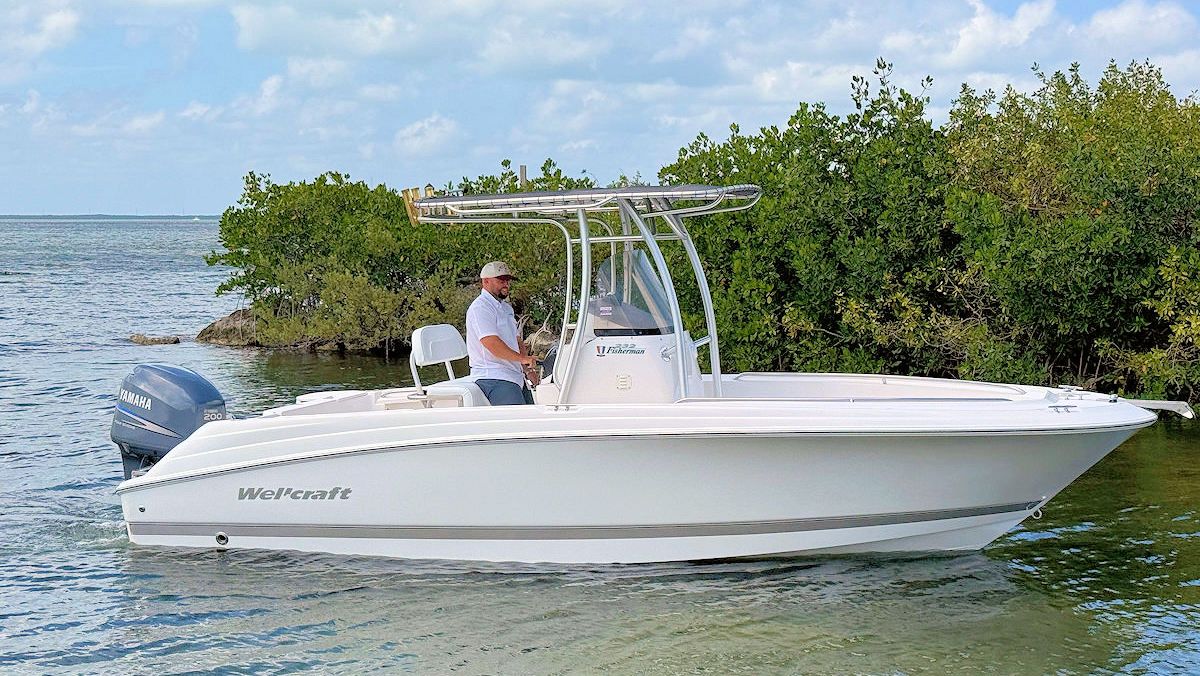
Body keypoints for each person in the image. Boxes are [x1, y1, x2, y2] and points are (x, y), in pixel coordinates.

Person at [466, 261, 538, 405]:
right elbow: (491, 343)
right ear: (486, 281)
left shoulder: (506, 308)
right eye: (501, 280)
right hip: (493, 376)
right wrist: (522, 359)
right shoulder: (480, 308)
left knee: (532, 415)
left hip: (514, 376)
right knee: (519, 418)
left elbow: (517, 340)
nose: (506, 284)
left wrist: (528, 370)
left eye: (507, 280)